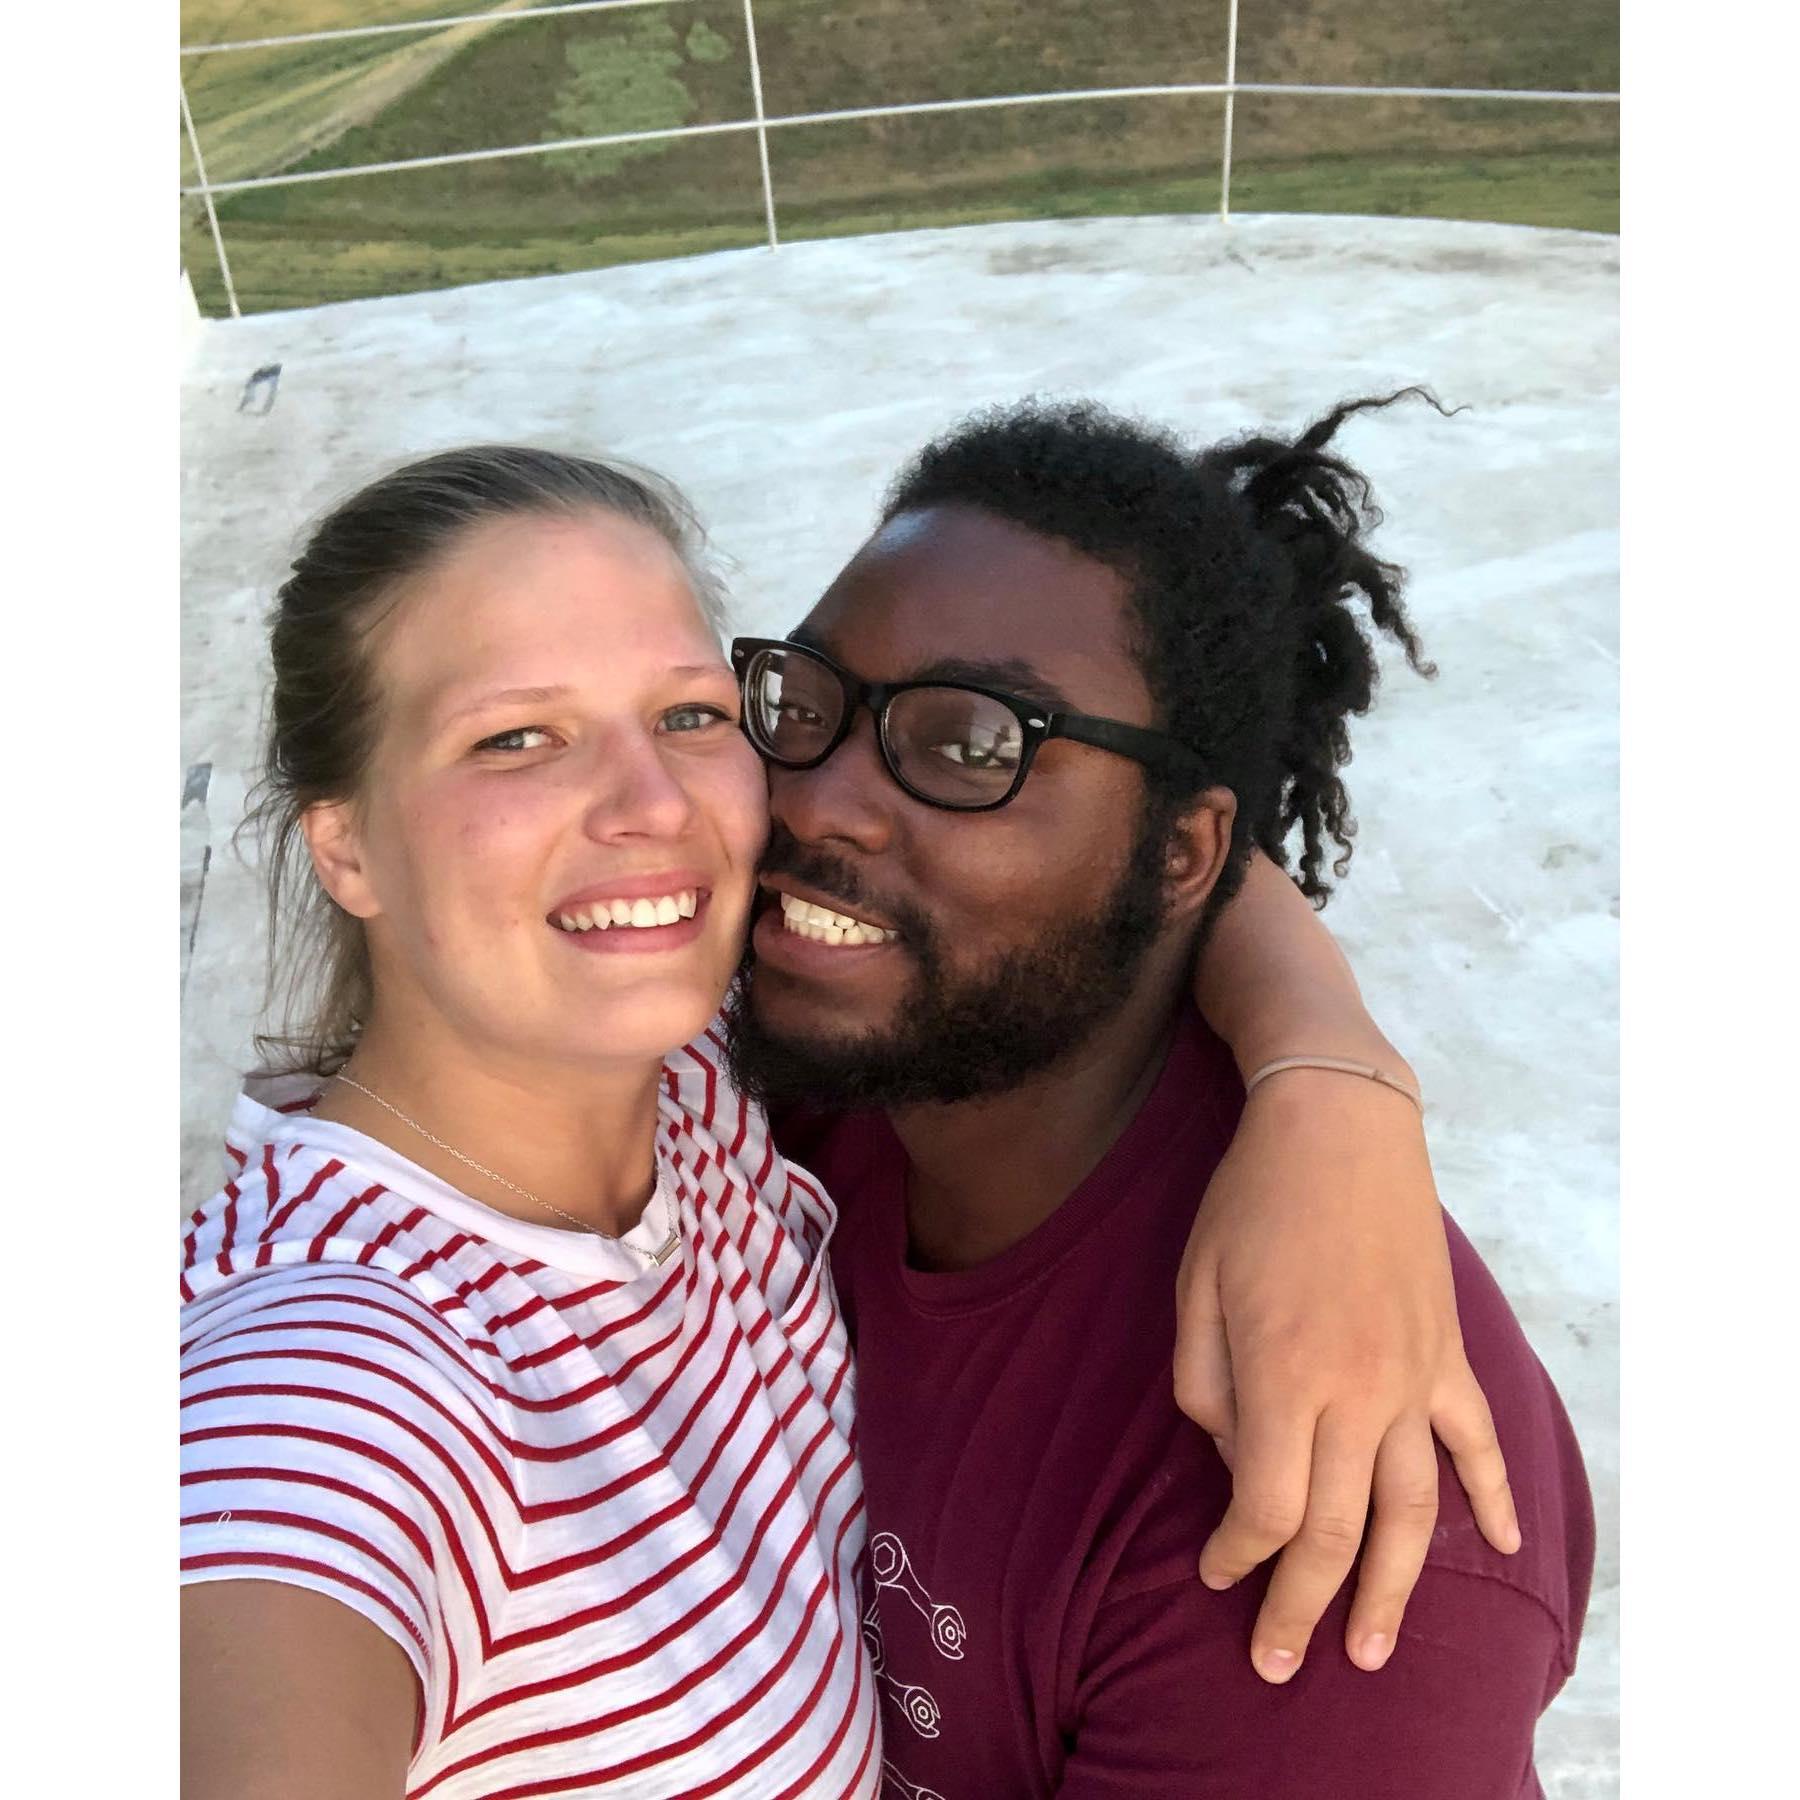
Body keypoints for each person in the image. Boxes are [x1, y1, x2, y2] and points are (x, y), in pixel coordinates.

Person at [182, 434, 1514, 1800]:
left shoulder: (714, 1089)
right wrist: (1338, 1079)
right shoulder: (322, 1392)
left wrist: (1331, 1077)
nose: (679, 808)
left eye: (696, 716)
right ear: (343, 843)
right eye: (516, 738)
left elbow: (1176, 852)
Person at [727, 396, 1595, 1797]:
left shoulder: (1337, 1540)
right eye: (806, 701)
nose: (815, 800)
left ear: (1188, 853)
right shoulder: (825, 1074)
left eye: (970, 746)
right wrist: (1331, 1055)